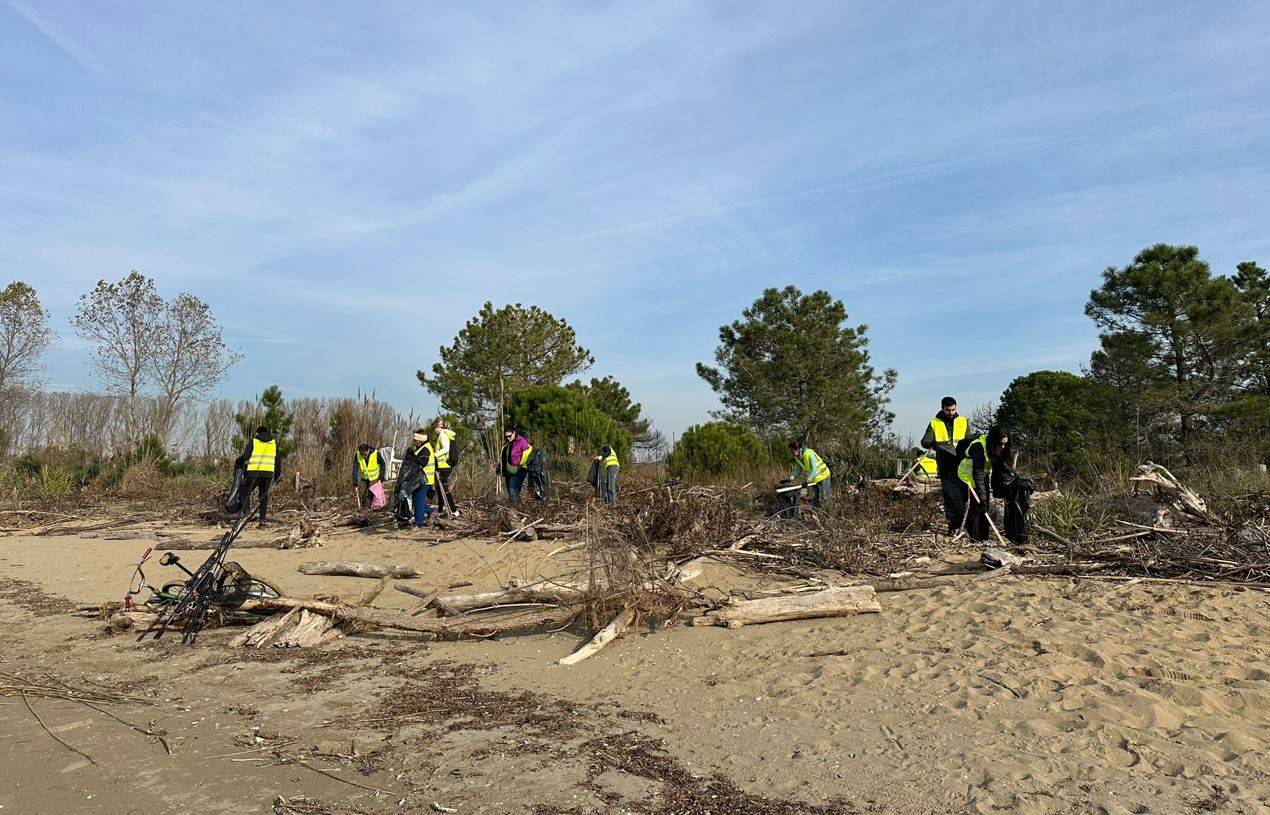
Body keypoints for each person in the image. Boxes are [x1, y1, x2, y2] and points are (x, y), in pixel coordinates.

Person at [920, 396, 970, 536]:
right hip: (946, 466)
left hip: (962, 465)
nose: (951, 412)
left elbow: (970, 440)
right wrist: (935, 444)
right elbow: (925, 442)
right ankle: (953, 527)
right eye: (948, 410)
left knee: (963, 498)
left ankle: (963, 526)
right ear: (942, 408)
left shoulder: (963, 421)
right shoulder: (934, 423)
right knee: (950, 498)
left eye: (953, 409)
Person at [958, 426, 1009, 542]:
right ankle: (975, 539)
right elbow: (977, 472)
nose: (1003, 447)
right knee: (976, 507)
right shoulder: (978, 447)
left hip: (982, 476)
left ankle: (984, 538)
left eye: (1005, 444)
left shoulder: (995, 448)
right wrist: (982, 497)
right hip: (967, 477)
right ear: (994, 441)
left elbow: (999, 468)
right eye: (1000, 444)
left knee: (984, 507)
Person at [235, 426, 281, 528]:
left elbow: (246, 456)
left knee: (245, 492)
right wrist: (278, 475)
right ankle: (262, 521)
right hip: (268, 474)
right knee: (263, 497)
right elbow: (277, 461)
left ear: (257, 433)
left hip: (254, 473)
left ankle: (246, 513)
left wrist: (239, 461)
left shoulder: (254, 441)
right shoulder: (273, 443)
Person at [395, 428, 436, 528]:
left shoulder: (426, 449)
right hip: (419, 480)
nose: (414, 441)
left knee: (419, 501)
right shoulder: (422, 448)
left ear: (421, 440)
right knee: (416, 500)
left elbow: (423, 463)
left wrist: (412, 455)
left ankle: (418, 523)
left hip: (425, 480)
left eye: (415, 440)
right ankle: (431, 512)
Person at [788, 440, 831, 509]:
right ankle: (815, 511)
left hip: (824, 475)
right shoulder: (798, 457)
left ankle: (828, 512)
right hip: (814, 479)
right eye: (790, 452)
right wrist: (790, 479)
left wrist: (807, 481)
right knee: (815, 496)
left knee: (826, 496)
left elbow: (813, 469)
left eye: (792, 451)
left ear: (798, 449)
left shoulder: (809, 454)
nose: (791, 454)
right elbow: (798, 470)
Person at [432, 418, 460, 518]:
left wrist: (434, 455)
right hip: (443, 465)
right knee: (440, 489)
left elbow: (446, 449)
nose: (434, 430)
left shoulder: (443, 435)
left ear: (438, 427)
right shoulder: (446, 434)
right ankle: (440, 510)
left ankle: (454, 510)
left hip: (444, 466)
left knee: (444, 488)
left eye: (434, 428)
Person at [498, 427, 532, 503]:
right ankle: (518, 508)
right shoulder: (506, 444)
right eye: (506, 437)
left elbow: (528, 454)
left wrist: (522, 465)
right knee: (511, 493)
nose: (508, 438)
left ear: (514, 433)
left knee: (512, 491)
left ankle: (514, 509)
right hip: (508, 470)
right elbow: (504, 457)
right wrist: (499, 466)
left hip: (519, 470)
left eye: (510, 436)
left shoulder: (521, 441)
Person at [352, 443, 385, 509]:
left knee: (371, 493)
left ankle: (370, 508)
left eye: (364, 454)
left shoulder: (376, 453)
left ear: (368, 450)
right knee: (362, 492)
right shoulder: (358, 455)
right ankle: (363, 507)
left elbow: (382, 464)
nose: (363, 456)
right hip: (364, 477)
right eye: (362, 454)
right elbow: (355, 467)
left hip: (374, 477)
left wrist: (381, 476)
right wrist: (355, 479)